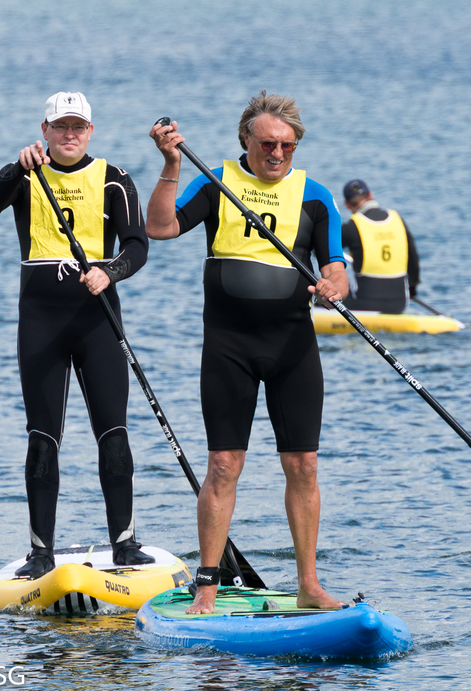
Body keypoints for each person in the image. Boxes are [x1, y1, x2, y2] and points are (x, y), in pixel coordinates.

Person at [146, 91, 349, 614]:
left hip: (293, 350)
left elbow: (335, 267)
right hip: (229, 350)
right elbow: (161, 228)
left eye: (286, 145)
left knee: (303, 465)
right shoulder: (215, 183)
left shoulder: (315, 196)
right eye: (267, 144)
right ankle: (208, 586)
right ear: (246, 141)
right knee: (223, 466)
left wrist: (333, 285)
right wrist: (171, 165)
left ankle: (308, 583)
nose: (277, 154)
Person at [0, 91, 153, 579]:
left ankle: (124, 545)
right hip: (41, 323)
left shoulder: (115, 180)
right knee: (42, 436)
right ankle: (40, 553)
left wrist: (110, 272)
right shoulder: (27, 174)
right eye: (60, 127)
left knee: (113, 432)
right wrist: (14, 168)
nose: (69, 134)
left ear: (90, 131)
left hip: (98, 319)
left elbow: (138, 246)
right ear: (46, 130)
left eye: (78, 127)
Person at [341, 179, 420, 314]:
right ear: (370, 195)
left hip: (362, 305)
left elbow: (324, 251)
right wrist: (412, 289)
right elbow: (413, 260)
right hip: (399, 304)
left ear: (347, 205)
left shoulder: (351, 227)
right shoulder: (397, 220)